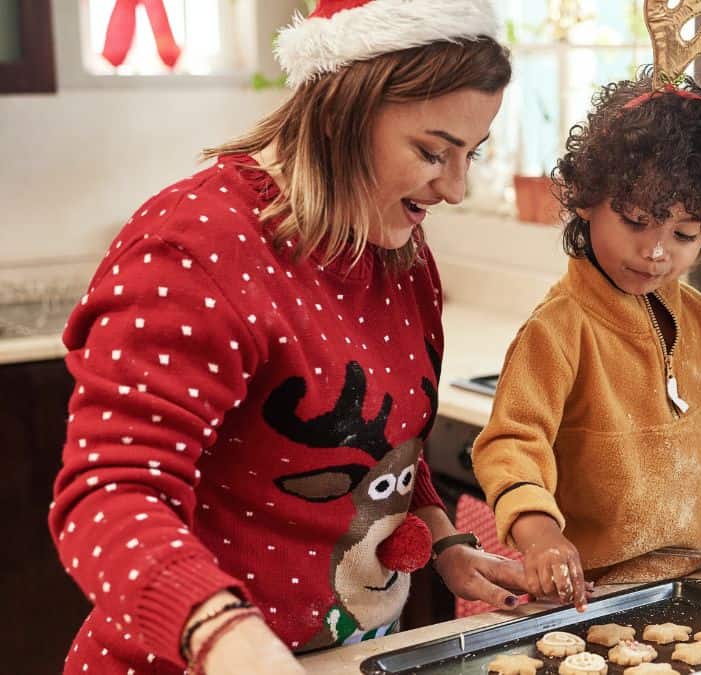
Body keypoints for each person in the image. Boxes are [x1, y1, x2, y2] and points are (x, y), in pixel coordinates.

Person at [48, 1, 527, 673]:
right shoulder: (195, 248)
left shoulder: (397, 250)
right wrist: (226, 636)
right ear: (341, 112)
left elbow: (382, 445)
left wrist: (444, 539)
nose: (455, 188)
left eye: (471, 154)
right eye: (431, 152)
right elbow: (110, 496)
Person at [470, 3, 701, 611]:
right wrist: (540, 534)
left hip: (700, 584)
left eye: (684, 235)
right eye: (635, 221)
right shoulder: (559, 330)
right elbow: (511, 443)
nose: (656, 252)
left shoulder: (700, 320)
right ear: (584, 200)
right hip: (591, 594)